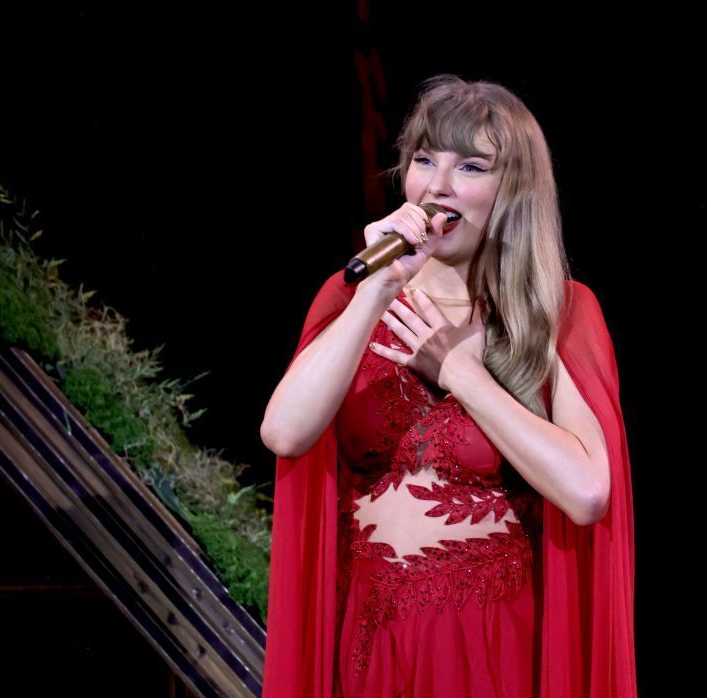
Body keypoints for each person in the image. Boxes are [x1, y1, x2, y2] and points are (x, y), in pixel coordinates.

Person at [260, 74, 637, 697]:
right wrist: (376, 290)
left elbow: (588, 491)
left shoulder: (556, 313)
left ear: (510, 190)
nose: (437, 184)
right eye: (424, 159)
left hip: (491, 642)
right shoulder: (350, 298)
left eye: (470, 165)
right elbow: (283, 431)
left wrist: (462, 374)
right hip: (371, 643)